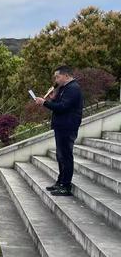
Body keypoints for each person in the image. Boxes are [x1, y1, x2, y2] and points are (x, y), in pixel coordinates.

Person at [35, 65, 83, 196]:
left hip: (68, 127)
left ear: (66, 75)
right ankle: (60, 182)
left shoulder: (73, 88)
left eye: (58, 76)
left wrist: (44, 103)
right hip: (61, 126)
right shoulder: (64, 88)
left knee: (66, 156)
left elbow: (62, 107)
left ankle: (66, 186)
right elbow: (60, 104)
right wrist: (53, 99)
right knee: (60, 155)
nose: (55, 79)